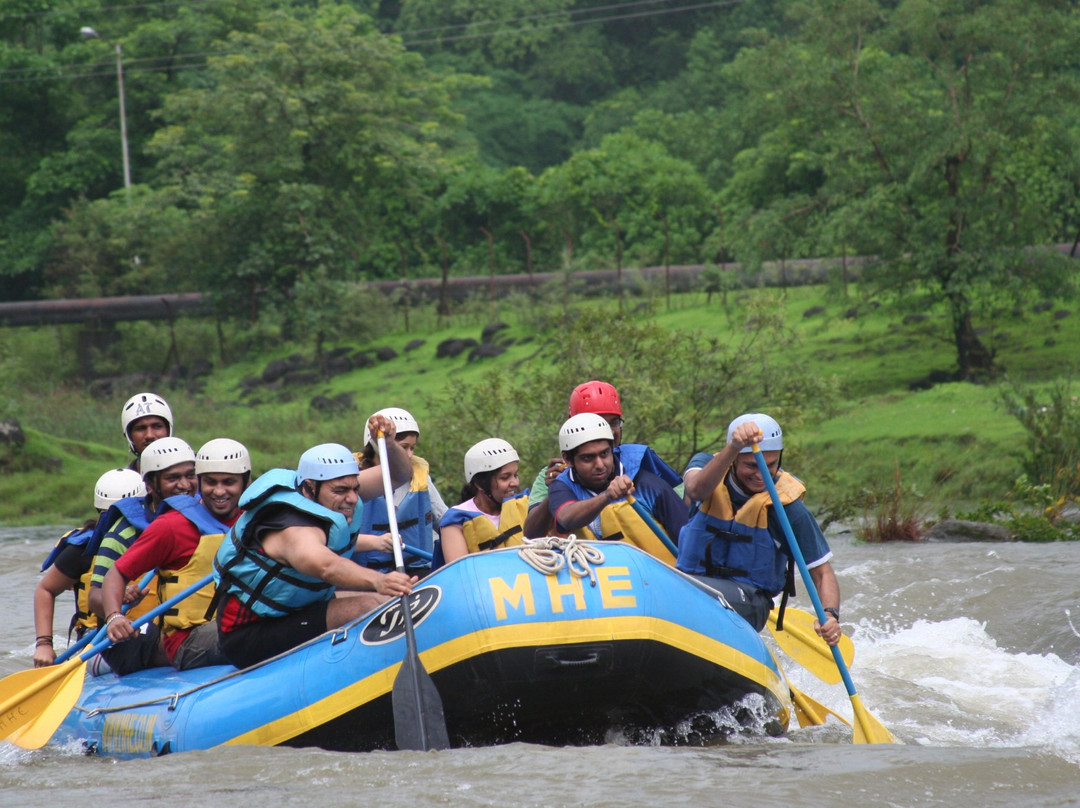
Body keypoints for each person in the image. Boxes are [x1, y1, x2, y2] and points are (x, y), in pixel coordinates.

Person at [212, 427, 415, 670]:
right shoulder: (293, 530)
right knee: (370, 605)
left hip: (300, 609)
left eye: (355, 488)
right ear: (310, 487)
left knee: (389, 601)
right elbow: (326, 566)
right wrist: (378, 580)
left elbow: (401, 475)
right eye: (340, 490)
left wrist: (390, 444)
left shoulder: (333, 492)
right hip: (250, 634)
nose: (351, 498)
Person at [675, 413, 842, 645]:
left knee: (688, 592)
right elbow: (694, 490)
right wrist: (735, 445)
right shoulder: (706, 466)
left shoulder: (786, 509)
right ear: (733, 460)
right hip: (693, 583)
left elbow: (822, 572)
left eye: (770, 465)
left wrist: (831, 615)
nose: (761, 473)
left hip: (750, 601)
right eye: (751, 465)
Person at [101, 439, 252, 671]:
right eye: (211, 482)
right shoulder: (170, 526)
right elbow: (116, 573)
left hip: (234, 622)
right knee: (259, 633)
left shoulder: (251, 520)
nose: (219, 491)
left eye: (229, 482)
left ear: (246, 482)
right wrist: (114, 616)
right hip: (188, 639)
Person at [87, 436, 198, 675]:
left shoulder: (205, 516)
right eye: (173, 478)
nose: (185, 485)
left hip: (186, 623)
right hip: (135, 633)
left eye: (190, 475)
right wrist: (117, 607)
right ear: (150, 485)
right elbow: (95, 596)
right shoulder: (122, 533)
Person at [524, 380, 683, 538]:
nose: (606, 430)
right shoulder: (556, 477)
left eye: (614, 422)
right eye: (597, 422)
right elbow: (533, 535)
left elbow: (684, 512)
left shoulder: (640, 464)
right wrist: (553, 491)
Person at [32, 468, 145, 667]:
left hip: (146, 629)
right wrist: (43, 644)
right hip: (96, 639)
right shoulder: (83, 549)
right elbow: (45, 589)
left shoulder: (158, 538)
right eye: (113, 516)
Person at [543, 414, 688, 560]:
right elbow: (566, 518)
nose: (600, 465)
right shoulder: (561, 486)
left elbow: (688, 537)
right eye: (588, 458)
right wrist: (607, 496)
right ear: (568, 459)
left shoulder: (647, 483)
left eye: (604, 453)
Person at [351, 407, 447, 577]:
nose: (409, 455)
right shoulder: (351, 480)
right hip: (369, 574)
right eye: (404, 447)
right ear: (377, 445)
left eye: (412, 448)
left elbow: (444, 521)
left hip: (418, 570)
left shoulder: (419, 476)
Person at [437, 439, 528, 565]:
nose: (515, 483)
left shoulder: (524, 505)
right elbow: (459, 572)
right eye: (505, 477)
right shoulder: (455, 521)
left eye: (515, 475)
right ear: (480, 484)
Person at [120, 391, 173, 470]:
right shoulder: (123, 481)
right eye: (140, 428)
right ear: (129, 436)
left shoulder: (196, 470)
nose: (149, 435)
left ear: (168, 430)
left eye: (157, 426)